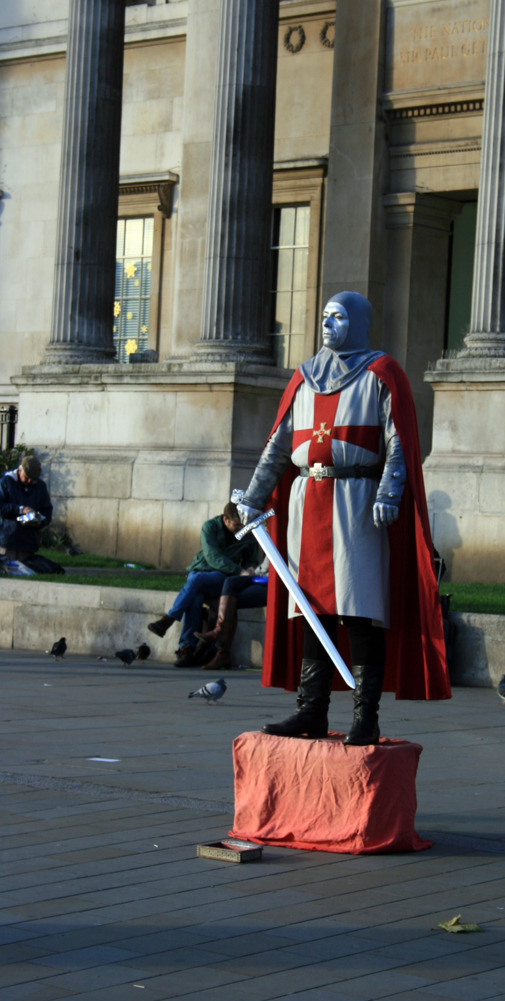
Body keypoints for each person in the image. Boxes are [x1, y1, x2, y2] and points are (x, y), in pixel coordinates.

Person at [238, 290, 450, 745]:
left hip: (357, 502)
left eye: (337, 316)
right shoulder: (304, 377)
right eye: (324, 316)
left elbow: (398, 442)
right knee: (313, 614)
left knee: (358, 610)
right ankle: (310, 711)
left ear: (357, 320)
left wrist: (390, 491)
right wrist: (254, 497)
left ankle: (364, 718)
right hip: (307, 500)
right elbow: (279, 445)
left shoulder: (381, 373)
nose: (328, 324)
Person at [148, 502, 261, 667]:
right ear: (225, 520)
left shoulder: (248, 534)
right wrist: (238, 570)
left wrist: (248, 568)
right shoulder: (210, 527)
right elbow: (212, 556)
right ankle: (187, 649)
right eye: (236, 525)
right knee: (195, 596)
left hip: (223, 576)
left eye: (243, 524)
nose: (240, 528)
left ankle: (170, 620)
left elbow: (251, 558)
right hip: (203, 570)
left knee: (195, 582)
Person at [194, 557, 269, 671]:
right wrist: (252, 571)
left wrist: (256, 571)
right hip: (260, 575)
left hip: (273, 581)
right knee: (230, 582)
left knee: (231, 601)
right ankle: (219, 632)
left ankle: (222, 652)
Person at [0, 455, 53, 560]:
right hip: (7, 540)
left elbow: (47, 511)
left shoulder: (40, 486)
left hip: (28, 543)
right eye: (27, 477)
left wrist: (39, 521)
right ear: (20, 470)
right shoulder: (5, 482)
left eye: (33, 479)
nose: (29, 481)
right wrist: (20, 510)